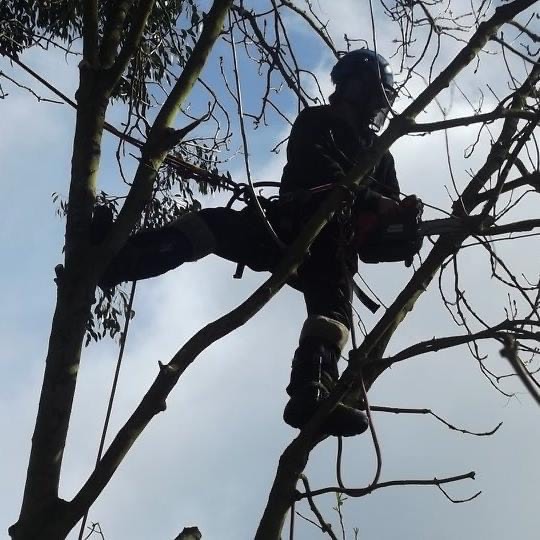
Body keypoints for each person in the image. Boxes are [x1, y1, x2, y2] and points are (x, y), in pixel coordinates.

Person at [98, 49, 402, 437]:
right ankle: (118, 260)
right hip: (286, 226)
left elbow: (384, 230)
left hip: (333, 248)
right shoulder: (317, 122)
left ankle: (312, 394)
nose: (376, 106)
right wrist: (372, 200)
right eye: (374, 95)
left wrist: (401, 223)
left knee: (333, 316)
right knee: (210, 226)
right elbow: (316, 169)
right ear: (357, 89)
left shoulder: (380, 156)